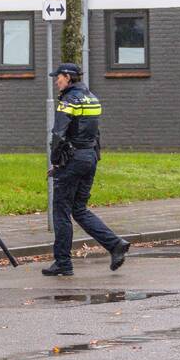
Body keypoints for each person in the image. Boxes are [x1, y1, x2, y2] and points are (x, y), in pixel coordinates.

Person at [42, 63, 130, 277]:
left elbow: (58, 134)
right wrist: (93, 157)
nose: (56, 81)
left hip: (72, 159)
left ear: (67, 77)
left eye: (58, 77)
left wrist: (56, 161)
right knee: (79, 209)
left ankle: (63, 262)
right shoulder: (92, 98)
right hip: (89, 157)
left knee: (61, 210)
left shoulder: (69, 101)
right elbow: (95, 133)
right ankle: (115, 244)